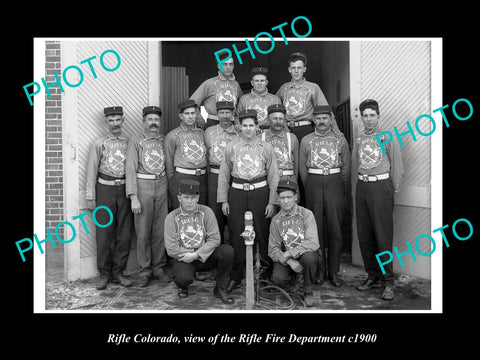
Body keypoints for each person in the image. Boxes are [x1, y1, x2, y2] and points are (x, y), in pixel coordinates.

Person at [217, 109, 279, 292]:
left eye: (251, 125)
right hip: (237, 193)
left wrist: (272, 201)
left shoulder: (265, 148)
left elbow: (274, 175)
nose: (248, 128)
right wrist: (224, 200)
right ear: (239, 127)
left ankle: (266, 274)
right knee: (237, 233)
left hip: (260, 192)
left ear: (257, 127)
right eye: (245, 125)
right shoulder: (231, 147)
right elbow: (224, 174)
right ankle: (236, 275)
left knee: (262, 232)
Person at [354, 99, 404, 300]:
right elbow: (356, 162)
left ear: (378, 116)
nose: (368, 119)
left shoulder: (388, 136)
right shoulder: (359, 137)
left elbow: (397, 165)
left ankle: (388, 281)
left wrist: (392, 189)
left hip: (381, 186)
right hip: (363, 186)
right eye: (365, 115)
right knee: (365, 235)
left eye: (372, 115)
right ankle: (372, 275)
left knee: (382, 235)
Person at [299, 105, 351, 287]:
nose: (321, 122)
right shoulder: (306, 140)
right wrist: (310, 185)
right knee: (316, 228)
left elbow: (346, 167)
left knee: (335, 228)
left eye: (325, 118)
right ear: (313, 119)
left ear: (330, 120)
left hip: (334, 182)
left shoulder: (340, 140)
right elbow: (302, 169)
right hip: (313, 181)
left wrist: (339, 184)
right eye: (318, 118)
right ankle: (320, 270)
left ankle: (334, 271)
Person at [164, 179, 235, 305]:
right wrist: (190, 254)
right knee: (183, 278)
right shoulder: (171, 218)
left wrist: (197, 254)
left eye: (193, 197)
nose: (190, 201)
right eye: (186, 197)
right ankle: (183, 286)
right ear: (179, 198)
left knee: (227, 251)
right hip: (184, 258)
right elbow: (171, 248)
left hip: (205, 256)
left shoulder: (206, 212)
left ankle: (220, 288)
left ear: (198, 197)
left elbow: (215, 239)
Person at [85, 106, 133, 290]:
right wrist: (91, 197)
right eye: (111, 120)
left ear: (123, 121)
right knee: (104, 234)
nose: (114, 123)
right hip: (104, 189)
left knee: (125, 233)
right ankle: (104, 274)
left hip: (124, 190)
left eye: (117, 120)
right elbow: (91, 171)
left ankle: (118, 272)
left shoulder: (129, 143)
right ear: (106, 122)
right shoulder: (99, 143)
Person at [125, 105, 171, 287]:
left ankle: (159, 267)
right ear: (144, 122)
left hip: (161, 184)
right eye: (150, 119)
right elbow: (130, 169)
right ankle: (145, 270)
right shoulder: (136, 141)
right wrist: (133, 196)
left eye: (156, 119)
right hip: (143, 185)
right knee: (143, 231)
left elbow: (168, 166)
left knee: (160, 230)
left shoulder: (164, 139)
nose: (153, 123)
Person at [276, 52, 329, 206]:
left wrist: (335, 131)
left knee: (305, 167)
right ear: (289, 70)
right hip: (287, 131)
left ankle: (306, 206)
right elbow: (275, 107)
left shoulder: (313, 88)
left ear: (304, 69)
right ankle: (289, 204)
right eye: (293, 68)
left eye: (299, 67)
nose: (296, 71)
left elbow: (324, 110)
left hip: (306, 129)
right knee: (289, 167)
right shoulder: (284, 89)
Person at [268, 179, 320, 307]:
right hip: (288, 259)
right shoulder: (276, 221)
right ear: (278, 199)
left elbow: (313, 242)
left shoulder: (306, 214)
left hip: (305, 254)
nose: (286, 201)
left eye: (289, 197)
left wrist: (290, 253)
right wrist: (289, 260)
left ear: (296, 197)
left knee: (309, 258)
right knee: (278, 279)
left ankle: (308, 292)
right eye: (282, 197)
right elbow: (273, 249)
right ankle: (295, 279)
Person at [204, 101, 240, 243]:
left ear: (232, 114)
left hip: (235, 176)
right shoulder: (209, 132)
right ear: (217, 114)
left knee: (235, 214)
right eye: (222, 113)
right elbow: (205, 155)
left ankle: (236, 251)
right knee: (216, 213)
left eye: (228, 113)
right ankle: (218, 249)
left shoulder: (240, 131)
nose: (225, 116)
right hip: (215, 175)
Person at [165, 99, 208, 210]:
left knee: (200, 211)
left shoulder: (203, 133)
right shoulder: (173, 135)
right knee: (182, 211)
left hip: (202, 178)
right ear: (181, 116)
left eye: (193, 113)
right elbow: (168, 160)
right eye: (187, 113)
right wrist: (172, 179)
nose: (190, 116)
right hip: (182, 177)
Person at [190, 57, 243, 129]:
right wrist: (201, 122)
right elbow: (191, 104)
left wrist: (238, 122)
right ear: (218, 66)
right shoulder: (209, 83)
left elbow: (242, 106)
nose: (228, 67)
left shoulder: (236, 85)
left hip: (232, 124)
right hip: (213, 123)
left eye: (231, 64)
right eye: (225, 64)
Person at [261, 104, 299, 183]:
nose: (278, 122)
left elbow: (296, 165)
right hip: (267, 179)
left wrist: (294, 180)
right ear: (268, 119)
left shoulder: (292, 138)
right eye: (275, 118)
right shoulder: (260, 138)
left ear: (284, 120)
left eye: (281, 119)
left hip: (288, 178)